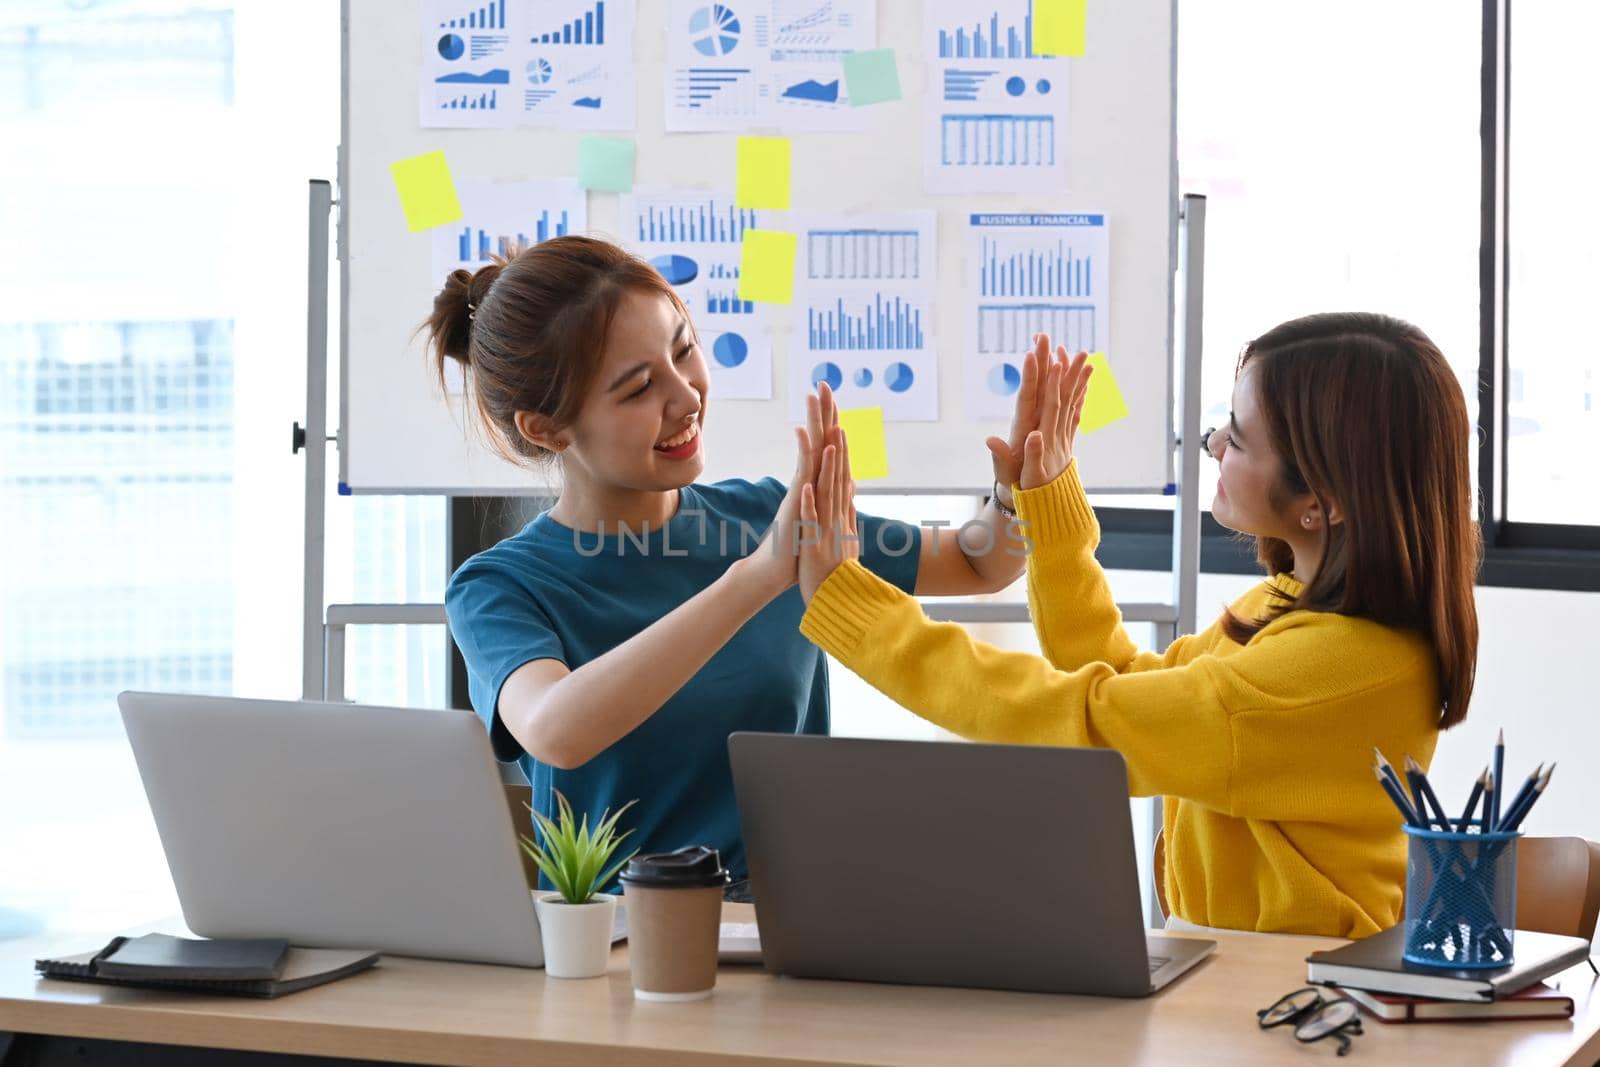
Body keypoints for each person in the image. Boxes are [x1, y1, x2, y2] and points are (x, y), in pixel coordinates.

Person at [794, 313, 1481, 937]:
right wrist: (1050, 494)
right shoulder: (1290, 612)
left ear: (1320, 502)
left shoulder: (1331, 667)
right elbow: (1123, 682)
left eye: (1238, 438)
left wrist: (857, 609)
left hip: (1291, 1003)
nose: (1212, 441)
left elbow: (1087, 722)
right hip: (1244, 978)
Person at [422, 235, 1040, 896]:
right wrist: (758, 576)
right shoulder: (501, 586)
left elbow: (979, 564)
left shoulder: (766, 515)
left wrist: (1022, 489)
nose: (686, 397)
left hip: (791, 925)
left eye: (684, 349)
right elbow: (556, 729)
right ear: (547, 429)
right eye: (638, 388)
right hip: (619, 947)